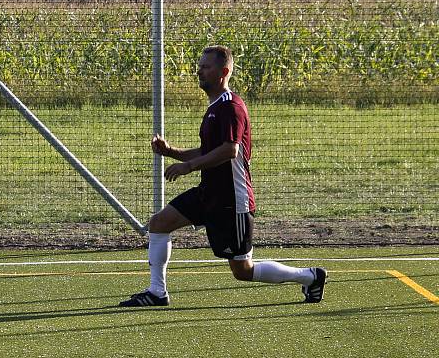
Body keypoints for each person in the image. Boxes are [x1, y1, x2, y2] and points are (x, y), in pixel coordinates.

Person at [120, 45, 326, 307]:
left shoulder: (231, 107)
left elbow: (230, 150)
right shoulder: (215, 107)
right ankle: (157, 293)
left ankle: (310, 277)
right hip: (209, 194)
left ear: (223, 72)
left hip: (231, 201)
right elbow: (210, 150)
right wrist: (171, 152)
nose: (199, 71)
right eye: (200, 65)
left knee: (243, 271)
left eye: (206, 67)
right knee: (159, 223)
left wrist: (190, 167)